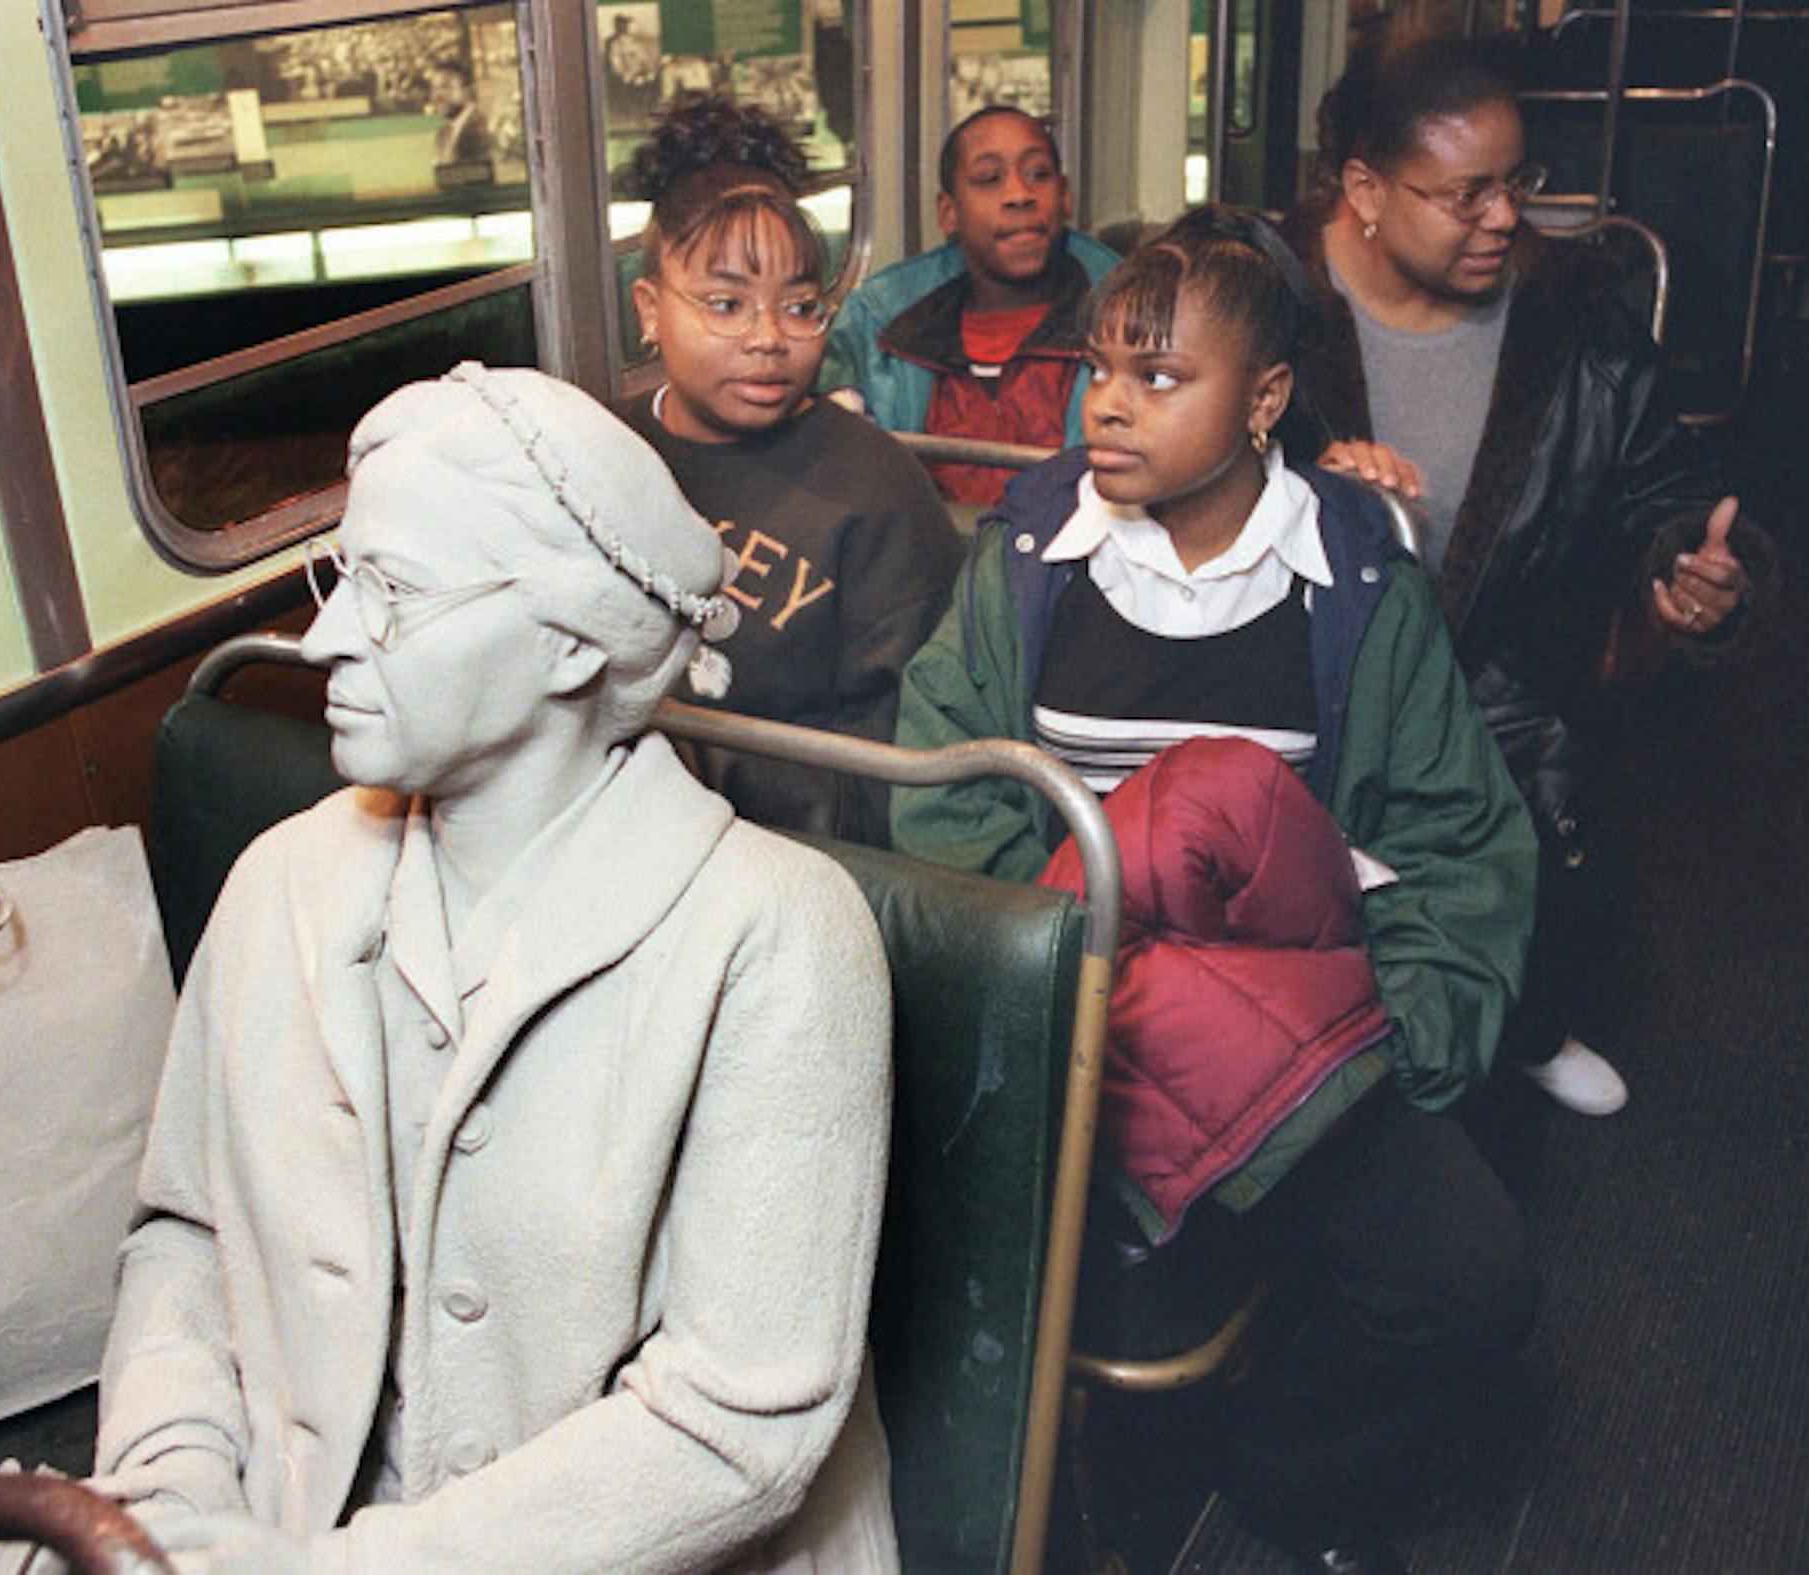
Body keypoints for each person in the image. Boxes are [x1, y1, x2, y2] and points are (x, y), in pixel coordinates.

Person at [0, 366, 900, 1573]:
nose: (325, 635)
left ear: (565, 643)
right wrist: (172, 1487)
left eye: (394, 590)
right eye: (343, 577)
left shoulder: (782, 936)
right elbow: (185, 1232)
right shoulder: (283, 881)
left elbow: (738, 1431)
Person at [894, 209, 1538, 1572]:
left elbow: (1459, 838)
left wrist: (1406, 1040)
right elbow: (947, 799)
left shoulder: (1352, 581)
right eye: (1099, 370)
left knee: (1470, 1283)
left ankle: (1282, 1479)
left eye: (1158, 379)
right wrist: (1059, 993)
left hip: (1295, 1015)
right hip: (1077, 1003)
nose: (1108, 406)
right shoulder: (1026, 565)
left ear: (1265, 402)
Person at [1279, 33, 1776, 1116]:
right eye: (1465, 194)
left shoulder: (1577, 329)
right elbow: (1189, 455)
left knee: (1526, 880)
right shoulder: (1265, 296)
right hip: (1297, 682)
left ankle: (1526, 1016)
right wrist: (1303, 485)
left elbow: (1663, 500)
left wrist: (1689, 570)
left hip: (1496, 683)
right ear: (1364, 187)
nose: (1505, 218)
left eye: (1517, 183)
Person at [618, 93, 963, 845]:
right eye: (725, 303)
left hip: (795, 853)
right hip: (615, 827)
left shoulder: (878, 489)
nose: (769, 338)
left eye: (801, 306)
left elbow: (902, 768)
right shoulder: (602, 458)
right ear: (650, 308)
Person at [820, 106, 1122, 506]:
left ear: (1065, 196)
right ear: (949, 213)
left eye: (1039, 175)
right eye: (988, 179)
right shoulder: (877, 319)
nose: (1019, 195)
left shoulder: (1129, 316)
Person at [426, 60, 489, 169]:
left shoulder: (485, 129)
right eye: (434, 88)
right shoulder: (442, 134)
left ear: (467, 90)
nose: (437, 95)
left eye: (445, 87)